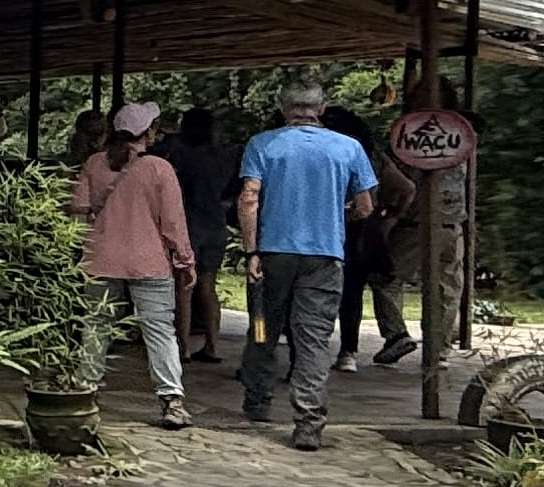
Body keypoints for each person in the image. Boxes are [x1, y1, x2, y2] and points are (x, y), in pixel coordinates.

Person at [238, 84, 376, 451]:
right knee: (313, 339)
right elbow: (365, 207)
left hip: (271, 255)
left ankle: (257, 401)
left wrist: (250, 251)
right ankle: (308, 423)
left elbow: (249, 198)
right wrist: (335, 214)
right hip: (325, 256)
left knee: (262, 326)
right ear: (321, 108)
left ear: (284, 110)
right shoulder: (349, 148)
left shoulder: (262, 144)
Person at [72, 100, 196, 428]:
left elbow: (79, 210)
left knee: (96, 325)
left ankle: (86, 388)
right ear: (147, 133)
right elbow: (173, 222)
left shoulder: (94, 164)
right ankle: (171, 400)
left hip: (100, 257)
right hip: (149, 261)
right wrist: (185, 259)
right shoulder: (159, 168)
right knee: (158, 330)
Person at [324, 105, 418, 371]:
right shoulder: (373, 156)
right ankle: (348, 352)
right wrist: (390, 217)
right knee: (353, 291)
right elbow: (406, 188)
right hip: (365, 230)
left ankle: (313, 345)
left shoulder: (327, 150)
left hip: (333, 225)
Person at [165, 105, 237, 359]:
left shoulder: (182, 156)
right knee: (208, 287)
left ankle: (182, 346)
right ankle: (212, 344)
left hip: (188, 226)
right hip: (216, 225)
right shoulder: (223, 157)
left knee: (184, 287)